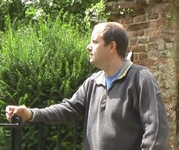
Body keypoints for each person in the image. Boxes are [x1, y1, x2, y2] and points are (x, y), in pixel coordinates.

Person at [6, 22, 169, 150]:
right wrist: (31, 114)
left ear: (112, 46)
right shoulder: (93, 82)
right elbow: (67, 109)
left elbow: (156, 131)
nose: (88, 47)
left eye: (95, 41)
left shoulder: (140, 78)